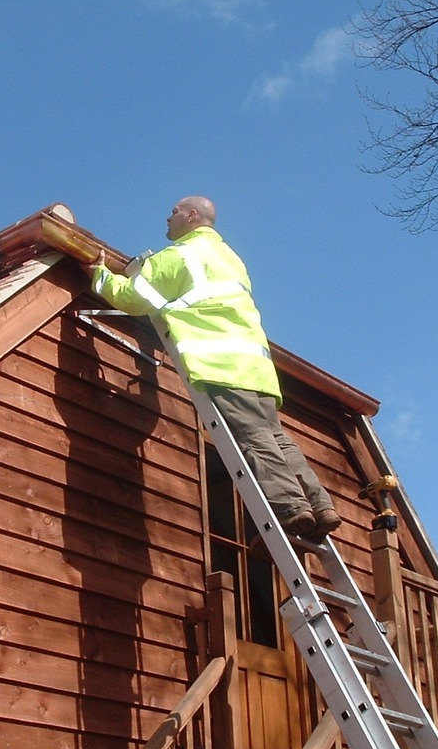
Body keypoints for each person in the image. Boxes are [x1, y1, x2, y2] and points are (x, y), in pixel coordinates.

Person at [84, 195, 341, 544]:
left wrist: (100, 276)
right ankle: (320, 503)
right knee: (277, 437)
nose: (167, 217)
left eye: (173, 211)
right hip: (256, 366)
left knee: (253, 437)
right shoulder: (229, 257)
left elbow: (134, 298)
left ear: (191, 216)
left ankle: (291, 505)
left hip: (221, 363)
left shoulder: (179, 255)